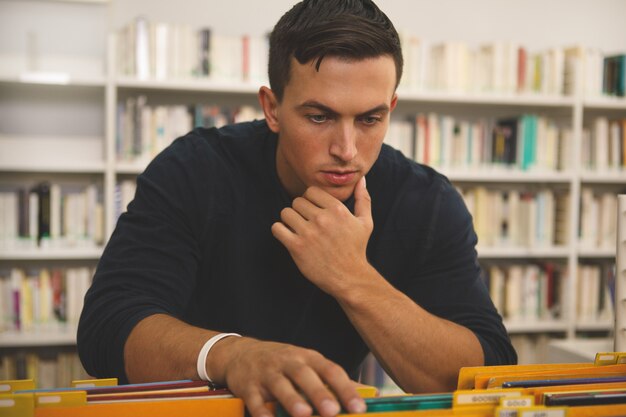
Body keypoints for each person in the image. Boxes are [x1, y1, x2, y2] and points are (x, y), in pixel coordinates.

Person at [78, 1, 517, 416]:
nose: (347, 150)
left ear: (391, 109)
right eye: (319, 116)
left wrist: (352, 277)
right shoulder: (194, 170)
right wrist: (233, 355)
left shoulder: (426, 202)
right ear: (272, 108)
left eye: (369, 119)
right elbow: (107, 328)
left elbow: (490, 371)